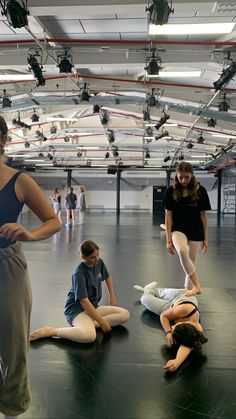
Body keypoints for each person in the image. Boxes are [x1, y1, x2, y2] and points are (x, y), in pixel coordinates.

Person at [0, 115, 61, 418]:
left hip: (7, 267)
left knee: (12, 343)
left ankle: (12, 405)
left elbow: (54, 221)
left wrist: (29, 233)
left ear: (2, 140)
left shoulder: (19, 180)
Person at [30, 240, 130, 344]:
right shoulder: (79, 273)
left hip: (93, 307)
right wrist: (101, 321)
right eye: (92, 257)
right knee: (89, 336)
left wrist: (112, 296)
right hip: (77, 310)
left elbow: (107, 277)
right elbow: (84, 302)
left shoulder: (99, 262)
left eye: (97, 255)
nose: (96, 259)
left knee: (124, 314)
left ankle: (90, 324)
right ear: (83, 257)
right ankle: (52, 331)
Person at [134, 281, 208, 372]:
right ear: (182, 323)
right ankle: (150, 289)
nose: (172, 327)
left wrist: (176, 362)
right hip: (181, 296)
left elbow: (189, 345)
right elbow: (164, 316)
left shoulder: (196, 332)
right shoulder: (183, 310)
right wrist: (168, 331)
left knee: (145, 300)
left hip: (173, 307)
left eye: (172, 328)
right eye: (174, 327)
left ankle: (149, 292)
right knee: (147, 298)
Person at [164, 162, 211, 296]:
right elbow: (168, 216)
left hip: (196, 230)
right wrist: (168, 240)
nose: (184, 180)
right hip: (178, 229)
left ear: (192, 176)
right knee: (183, 251)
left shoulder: (200, 191)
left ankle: (188, 293)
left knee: (191, 262)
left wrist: (206, 238)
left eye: (187, 177)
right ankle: (197, 286)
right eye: (181, 177)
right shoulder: (170, 191)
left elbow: (203, 216)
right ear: (176, 176)